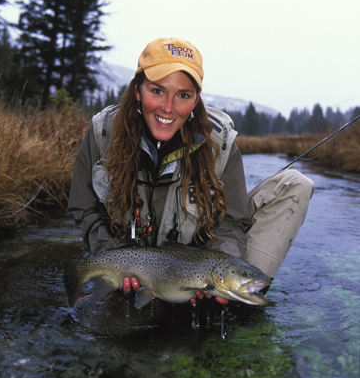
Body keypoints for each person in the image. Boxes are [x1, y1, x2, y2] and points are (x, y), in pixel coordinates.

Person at [67, 37, 315, 305]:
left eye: (183, 95)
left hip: (195, 267)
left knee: (296, 184)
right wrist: (113, 259)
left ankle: (234, 295)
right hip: (135, 268)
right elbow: (83, 208)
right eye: (158, 91)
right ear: (137, 90)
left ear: (196, 100)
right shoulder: (102, 134)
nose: (168, 108)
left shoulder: (220, 146)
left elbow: (232, 223)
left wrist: (216, 260)